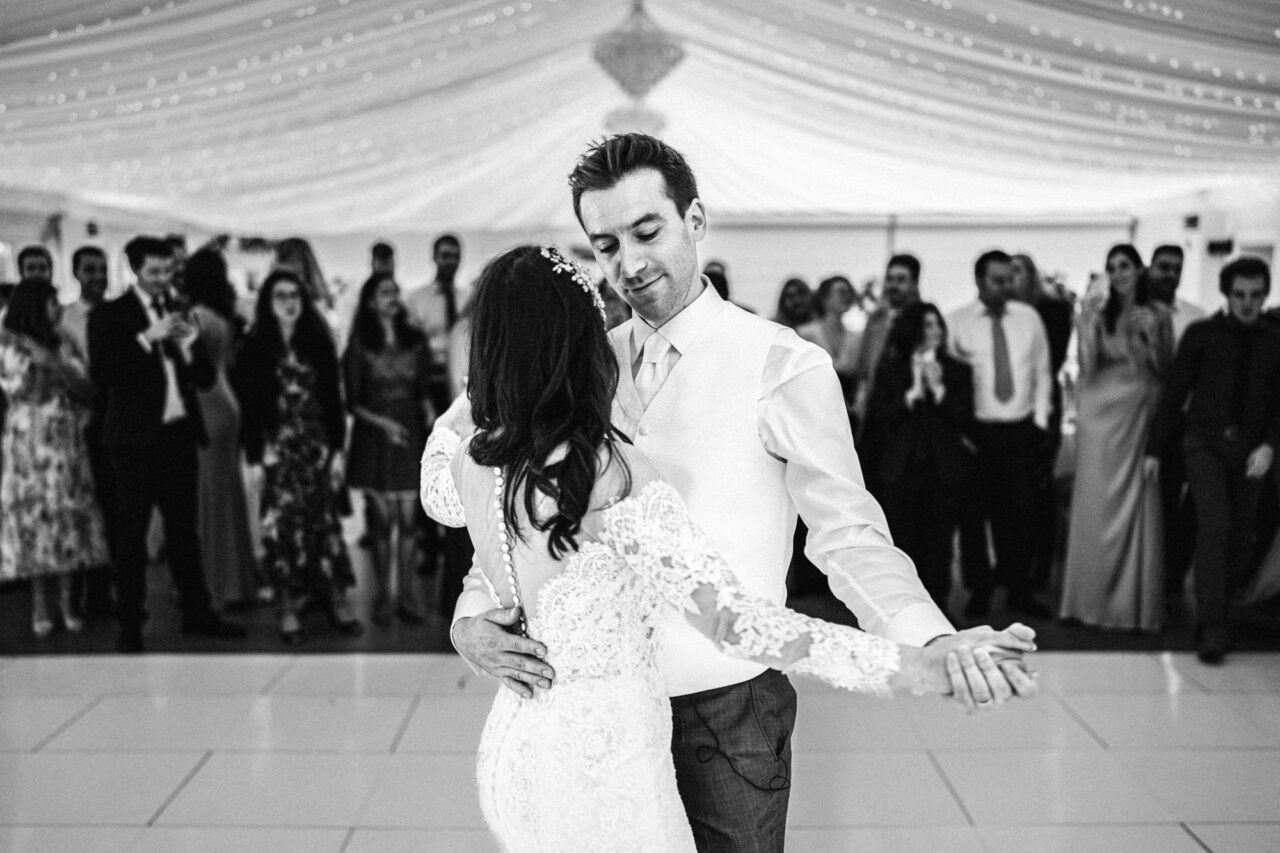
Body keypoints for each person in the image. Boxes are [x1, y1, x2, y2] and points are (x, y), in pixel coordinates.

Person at [449, 134, 1037, 852]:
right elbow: (523, 521)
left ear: (695, 219)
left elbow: (848, 534)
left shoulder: (783, 364)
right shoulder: (574, 367)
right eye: (604, 245)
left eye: (647, 231)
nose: (629, 264)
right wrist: (471, 617)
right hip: (587, 727)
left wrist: (929, 641)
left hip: (725, 714)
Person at [87, 236, 245, 652]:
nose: (162, 280)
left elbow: (204, 380)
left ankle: (197, 612)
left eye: (167, 272)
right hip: (134, 440)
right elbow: (104, 372)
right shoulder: (111, 314)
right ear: (135, 270)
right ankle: (130, 624)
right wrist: (146, 338)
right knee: (132, 532)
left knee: (183, 530)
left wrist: (190, 347)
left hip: (177, 433)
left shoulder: (179, 312)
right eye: (153, 272)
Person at [1145, 256, 1279, 663]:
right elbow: (1173, 392)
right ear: (1226, 293)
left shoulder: (1276, 339)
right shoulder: (1201, 334)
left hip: (1253, 451)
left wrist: (1270, 446)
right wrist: (1153, 448)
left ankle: (1220, 604)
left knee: (1241, 536)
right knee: (1214, 528)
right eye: (1239, 294)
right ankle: (1212, 625)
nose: (1247, 303)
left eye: (1255, 295)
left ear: (1265, 295)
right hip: (1204, 445)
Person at [234, 269, 362, 644]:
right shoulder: (255, 344)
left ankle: (336, 600)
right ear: (268, 303)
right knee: (280, 525)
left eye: (295, 295)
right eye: (280, 296)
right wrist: (257, 455)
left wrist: (337, 450)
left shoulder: (317, 341)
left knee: (324, 523)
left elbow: (333, 402)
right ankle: (288, 607)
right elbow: (250, 406)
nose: (289, 302)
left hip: (315, 446)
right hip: (278, 449)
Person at [1059, 244, 1173, 632]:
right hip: (1099, 416)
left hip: (1137, 412)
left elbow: (1167, 371)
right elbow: (1087, 368)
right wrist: (1084, 323)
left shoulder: (1156, 314)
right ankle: (1086, 602)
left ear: (1139, 270)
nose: (1118, 273)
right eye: (1112, 267)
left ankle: (1130, 607)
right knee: (1093, 503)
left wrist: (1150, 336)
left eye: (1125, 266)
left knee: (1136, 500)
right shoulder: (1098, 313)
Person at [948, 250, 1053, 620]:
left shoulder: (1029, 319)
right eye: (998, 279)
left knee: (1021, 514)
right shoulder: (957, 322)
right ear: (979, 280)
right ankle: (980, 589)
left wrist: (1040, 423)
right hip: (977, 435)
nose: (1006, 286)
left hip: (1021, 431)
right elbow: (952, 383)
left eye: (1010, 278)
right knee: (974, 518)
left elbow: (1042, 372)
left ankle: (1018, 589)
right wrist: (961, 432)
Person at [0, 278, 107, 636]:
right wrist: (37, 362)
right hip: (27, 439)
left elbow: (88, 388)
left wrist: (54, 362)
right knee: (33, 517)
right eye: (50, 302)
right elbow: (16, 388)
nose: (55, 308)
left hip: (63, 437)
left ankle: (68, 598)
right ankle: (40, 603)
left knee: (66, 512)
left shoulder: (63, 341)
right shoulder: (7, 344)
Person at [864, 302, 974, 613]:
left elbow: (964, 419)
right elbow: (879, 415)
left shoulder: (957, 370)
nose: (936, 330)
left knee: (941, 545)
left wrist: (939, 391)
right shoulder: (891, 368)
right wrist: (910, 395)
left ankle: (938, 608)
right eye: (928, 325)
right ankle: (905, 609)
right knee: (903, 543)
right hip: (902, 468)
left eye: (938, 324)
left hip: (943, 469)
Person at [343, 273, 434, 626]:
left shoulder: (416, 340)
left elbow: (423, 389)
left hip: (410, 434)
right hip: (375, 437)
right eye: (385, 293)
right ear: (370, 301)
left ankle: (408, 595)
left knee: (410, 523)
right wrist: (385, 425)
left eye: (395, 291)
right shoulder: (359, 343)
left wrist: (427, 411)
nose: (392, 298)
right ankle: (383, 595)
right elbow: (353, 401)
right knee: (381, 523)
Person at [185, 248, 257, 608]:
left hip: (206, 402)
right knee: (227, 491)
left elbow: (190, 364)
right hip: (227, 402)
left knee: (210, 496)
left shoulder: (197, 315)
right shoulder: (225, 314)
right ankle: (236, 580)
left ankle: (217, 584)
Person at [1146, 243, 1207, 608]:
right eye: (1163, 267)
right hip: (1155, 420)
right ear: (1150, 269)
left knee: (1194, 503)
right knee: (1162, 499)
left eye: (1176, 268)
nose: (1170, 274)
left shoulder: (1196, 317)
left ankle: (1176, 569)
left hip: (1193, 419)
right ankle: (1158, 575)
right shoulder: (1138, 314)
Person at [1010, 252, 1073, 592]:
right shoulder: (1003, 313)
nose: (1011, 278)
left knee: (1041, 488)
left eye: (1017, 271)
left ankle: (1041, 567)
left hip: (1043, 404)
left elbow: (1055, 358)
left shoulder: (1052, 309)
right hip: (1010, 410)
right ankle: (1014, 565)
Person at [61, 246, 116, 617]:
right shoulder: (66, 319)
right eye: (89, 269)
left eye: (102, 268)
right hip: (84, 418)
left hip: (117, 414)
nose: (97, 276)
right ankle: (81, 592)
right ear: (77, 273)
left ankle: (107, 589)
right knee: (86, 505)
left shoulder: (118, 314)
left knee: (114, 507)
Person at [853, 254, 921, 430]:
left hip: (907, 412)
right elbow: (864, 365)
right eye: (889, 279)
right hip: (874, 410)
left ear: (914, 283)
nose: (893, 286)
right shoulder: (876, 320)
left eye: (901, 280)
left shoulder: (922, 319)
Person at [796, 274, 861, 413]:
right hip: (815, 409)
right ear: (825, 298)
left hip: (847, 411)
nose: (847, 296)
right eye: (842, 292)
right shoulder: (806, 334)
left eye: (849, 292)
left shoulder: (856, 337)